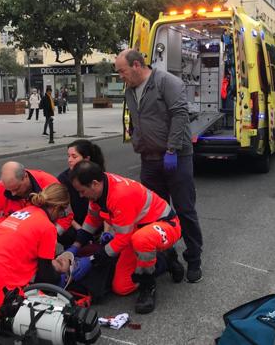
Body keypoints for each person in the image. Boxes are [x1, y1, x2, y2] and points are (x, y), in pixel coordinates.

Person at [115, 49, 204, 283]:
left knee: (184, 210)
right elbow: (136, 120)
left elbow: (179, 115)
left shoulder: (167, 82)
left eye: (122, 71)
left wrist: (172, 150)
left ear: (136, 65)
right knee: (154, 214)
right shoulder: (130, 90)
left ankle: (194, 259)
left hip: (176, 157)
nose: (120, 76)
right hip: (149, 159)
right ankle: (169, 258)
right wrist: (136, 139)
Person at [65, 160, 185, 314]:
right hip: (136, 231)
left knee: (142, 239)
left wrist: (92, 259)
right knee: (122, 287)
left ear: (94, 184)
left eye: (82, 191)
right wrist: (75, 247)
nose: (81, 196)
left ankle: (148, 286)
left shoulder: (119, 195)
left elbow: (122, 239)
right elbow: (92, 220)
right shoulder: (98, 190)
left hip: (165, 225)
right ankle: (163, 259)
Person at [0, 183, 72, 333]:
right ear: (56, 208)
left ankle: (4, 306)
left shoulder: (25, 211)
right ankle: (4, 321)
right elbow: (46, 276)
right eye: (62, 212)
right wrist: (61, 268)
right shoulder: (47, 227)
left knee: (29, 266)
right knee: (51, 311)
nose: (62, 216)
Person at [0, 161, 73, 246]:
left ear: (25, 176)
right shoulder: (1, 187)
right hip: (9, 242)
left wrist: (50, 237)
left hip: (39, 237)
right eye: (9, 190)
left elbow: (66, 216)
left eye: (16, 188)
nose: (13, 193)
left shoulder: (49, 184)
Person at [57, 139, 106, 235]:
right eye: (68, 156)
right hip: (74, 225)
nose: (69, 160)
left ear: (86, 159)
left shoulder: (98, 174)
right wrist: (81, 231)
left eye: (74, 156)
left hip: (96, 223)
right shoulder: (63, 179)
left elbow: (105, 208)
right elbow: (64, 212)